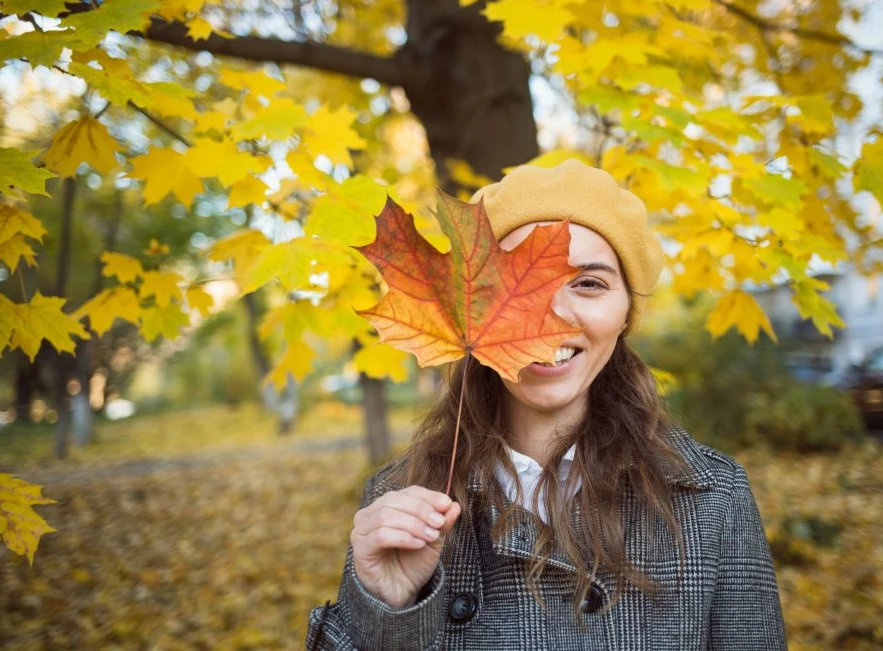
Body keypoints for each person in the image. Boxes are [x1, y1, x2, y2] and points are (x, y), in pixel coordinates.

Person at [306, 160, 787, 650]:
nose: (552, 315)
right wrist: (385, 613)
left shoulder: (714, 500)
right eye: (521, 286)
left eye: (589, 283)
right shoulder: (398, 500)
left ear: (624, 316)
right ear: (469, 309)